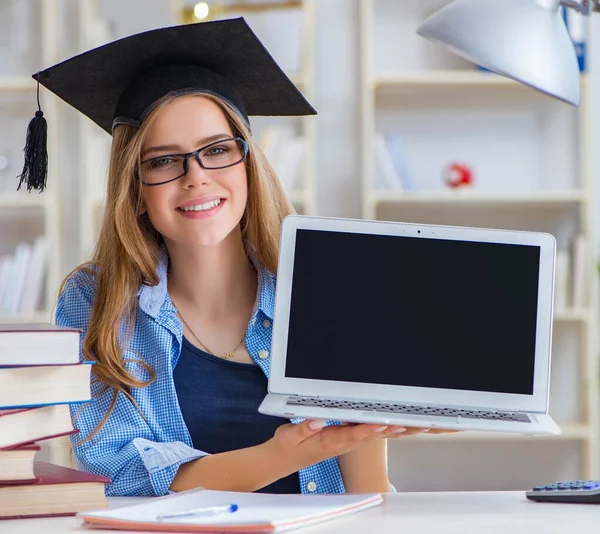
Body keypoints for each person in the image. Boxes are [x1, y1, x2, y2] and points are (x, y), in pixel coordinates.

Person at [27, 19, 449, 497]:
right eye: (163, 160)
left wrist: (376, 424)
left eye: (218, 150)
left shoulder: (325, 287)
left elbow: (368, 494)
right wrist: (289, 453)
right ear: (135, 188)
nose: (196, 177)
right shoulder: (96, 302)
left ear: (248, 166)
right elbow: (124, 476)